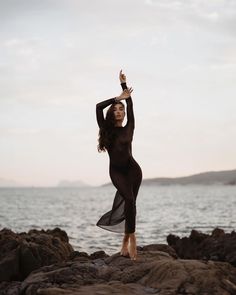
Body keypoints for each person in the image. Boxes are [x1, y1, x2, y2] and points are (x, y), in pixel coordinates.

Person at [96, 70, 142, 260]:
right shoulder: (105, 129)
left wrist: (124, 86)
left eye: (121, 109)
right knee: (129, 201)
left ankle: (124, 242)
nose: (119, 111)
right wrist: (118, 96)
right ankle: (133, 241)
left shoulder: (130, 126)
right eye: (115, 109)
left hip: (133, 170)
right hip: (116, 172)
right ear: (112, 113)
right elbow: (98, 107)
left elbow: (130, 103)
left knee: (131, 204)